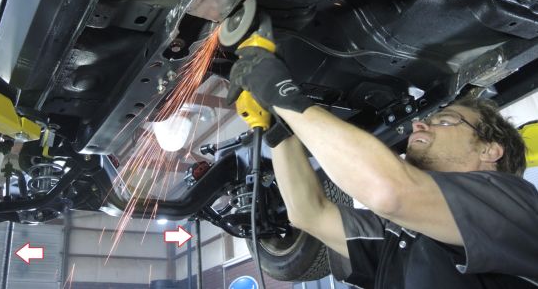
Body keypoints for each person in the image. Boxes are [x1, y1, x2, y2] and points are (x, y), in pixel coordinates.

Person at [227, 47, 538, 288]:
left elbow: (388, 191)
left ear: (490, 150)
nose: (420, 124)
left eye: (445, 120)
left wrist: (282, 95)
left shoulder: (518, 208)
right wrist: (275, 126)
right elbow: (309, 213)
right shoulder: (402, 237)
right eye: (427, 120)